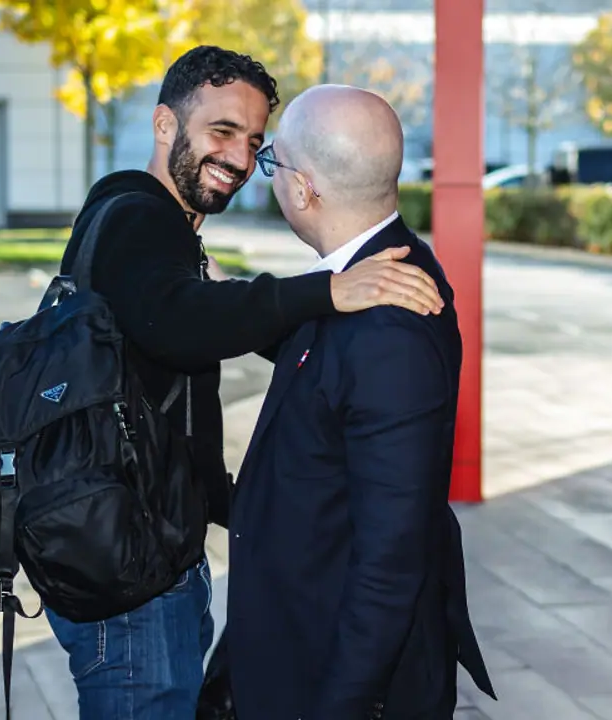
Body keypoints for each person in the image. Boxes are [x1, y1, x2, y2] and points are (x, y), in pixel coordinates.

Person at [47, 47, 446, 719]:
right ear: (165, 125)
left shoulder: (143, 220)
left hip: (138, 553)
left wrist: (250, 508)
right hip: (130, 575)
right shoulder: (140, 218)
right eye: (222, 131)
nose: (239, 156)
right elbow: (178, 322)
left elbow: (180, 368)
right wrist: (327, 291)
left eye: (256, 142)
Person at [224, 84, 498, 719]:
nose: (269, 176)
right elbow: (320, 361)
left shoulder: (390, 319)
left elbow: (391, 559)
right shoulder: (371, 274)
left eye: (272, 162)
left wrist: (343, 705)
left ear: (304, 189)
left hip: (334, 675)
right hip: (302, 644)